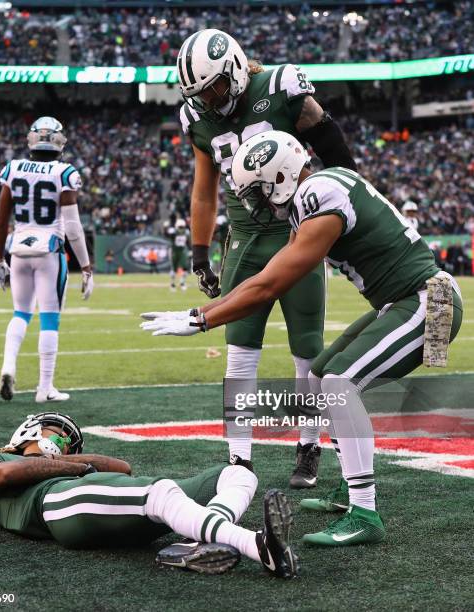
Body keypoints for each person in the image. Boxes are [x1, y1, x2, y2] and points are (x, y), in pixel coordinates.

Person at [141, 130, 463, 547]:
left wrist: (202, 319)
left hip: (432, 302)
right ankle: (351, 489)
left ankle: (365, 511)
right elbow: (264, 275)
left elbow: (269, 286)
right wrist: (204, 311)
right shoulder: (318, 190)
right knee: (318, 375)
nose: (255, 203)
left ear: (281, 177)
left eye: (257, 191)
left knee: (338, 383)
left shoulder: (319, 195)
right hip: (405, 302)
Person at [177, 29, 357, 488]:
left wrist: (344, 204)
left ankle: (309, 444)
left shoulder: (280, 86)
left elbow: (332, 145)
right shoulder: (198, 116)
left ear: (234, 69)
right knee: (239, 352)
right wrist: (200, 253)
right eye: (200, 93)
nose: (210, 99)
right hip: (244, 240)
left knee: (306, 352)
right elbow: (204, 191)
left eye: (214, 87)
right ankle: (239, 460)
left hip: (298, 232)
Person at [0, 412, 298, 578]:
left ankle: (193, 544)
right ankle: (256, 544)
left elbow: (121, 468)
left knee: (237, 474)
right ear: (26, 431)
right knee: (162, 491)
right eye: (57, 432)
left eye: (70, 442)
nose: (63, 442)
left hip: (97, 501)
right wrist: (70, 464)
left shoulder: (66, 464)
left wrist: (66, 460)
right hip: (54, 506)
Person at [0, 117, 94, 403]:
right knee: (49, 317)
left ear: (32, 140)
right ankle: (44, 388)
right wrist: (86, 266)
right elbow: (73, 228)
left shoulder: (13, 168)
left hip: (19, 248)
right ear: (60, 142)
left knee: (20, 313)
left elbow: (1, 221)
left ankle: (8, 366)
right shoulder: (65, 172)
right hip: (49, 248)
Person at [166, 218, 190, 291]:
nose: (181, 229)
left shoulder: (186, 232)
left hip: (182, 251)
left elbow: (188, 241)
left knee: (185, 268)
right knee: (174, 269)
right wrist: (166, 228)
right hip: (174, 251)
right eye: (180, 227)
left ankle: (182, 283)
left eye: (182, 227)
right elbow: (168, 233)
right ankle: (172, 284)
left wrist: (190, 250)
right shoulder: (173, 232)